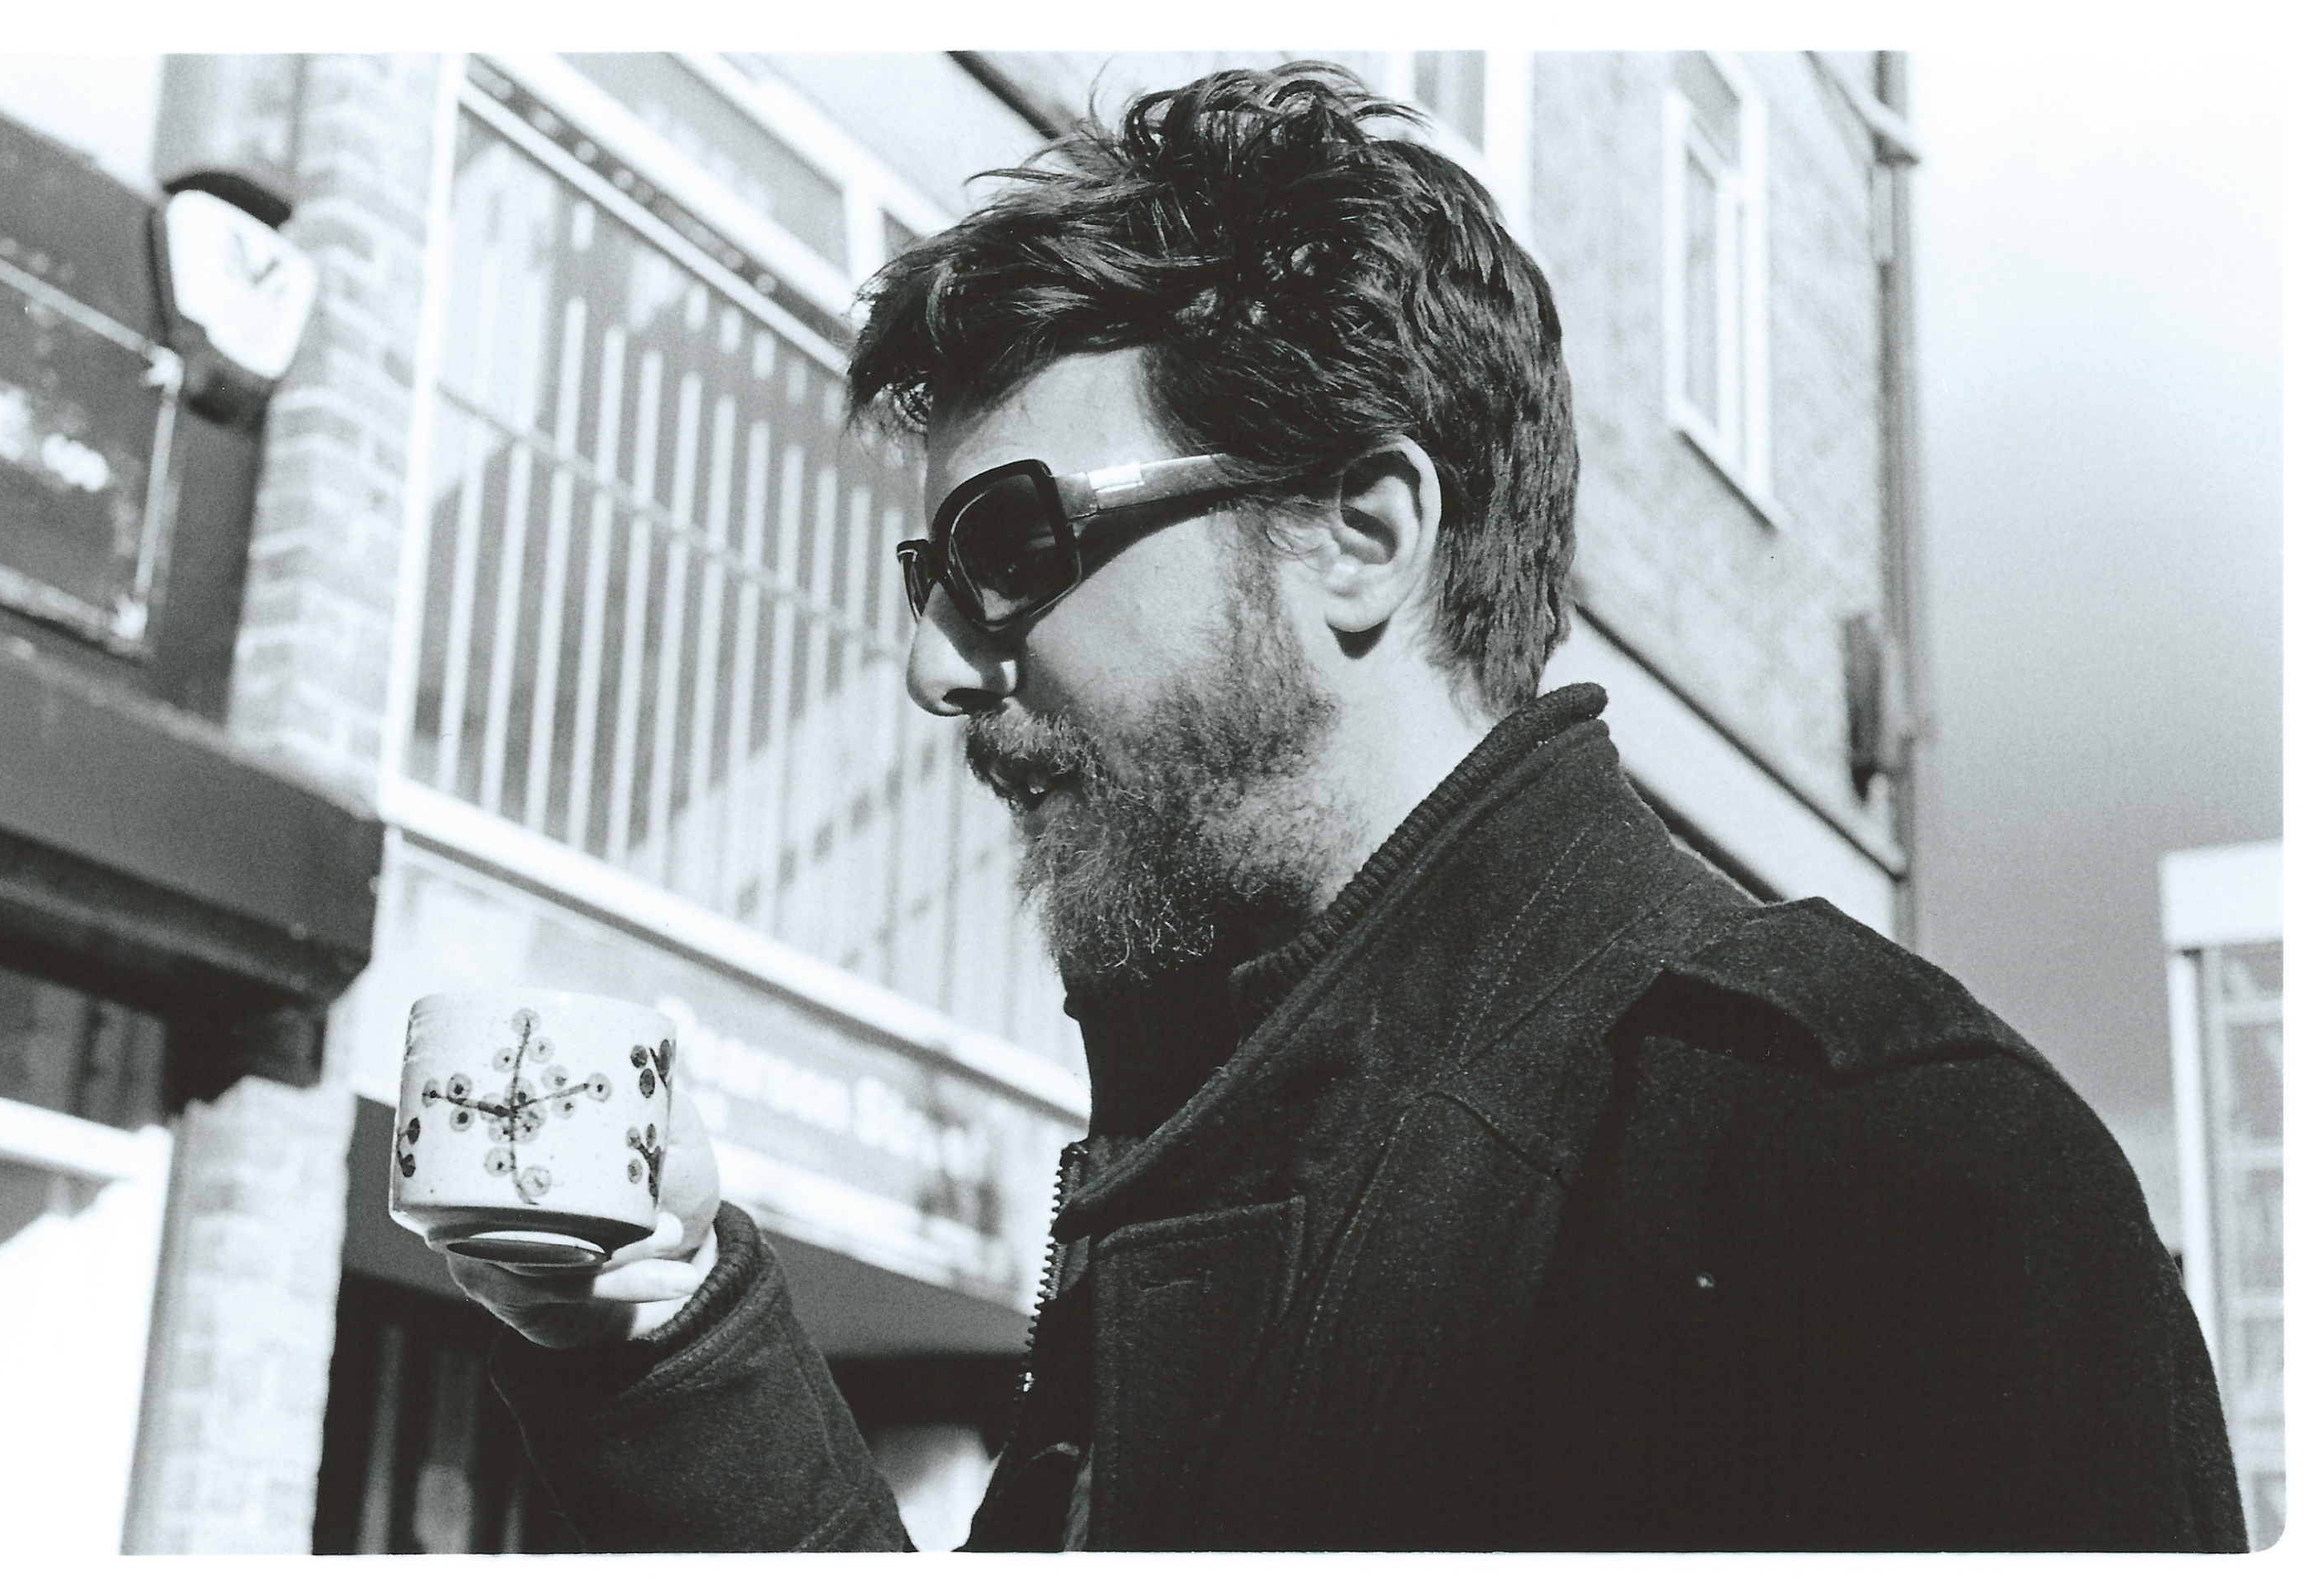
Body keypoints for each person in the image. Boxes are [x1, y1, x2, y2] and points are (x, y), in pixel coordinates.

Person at [449, 64, 2245, 1551]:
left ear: (1358, 535)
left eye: (1004, 544)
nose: (933, 663)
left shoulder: (1861, 1172)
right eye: (930, 573)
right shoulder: (1219, 1124)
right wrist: (658, 1334)